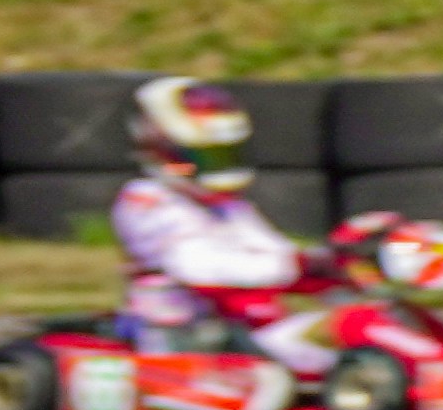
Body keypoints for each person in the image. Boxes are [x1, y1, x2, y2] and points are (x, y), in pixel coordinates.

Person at [105, 76, 339, 376]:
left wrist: (334, 264)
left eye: (224, 156)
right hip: (182, 337)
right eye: (205, 157)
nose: (219, 169)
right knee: (334, 331)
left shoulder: (227, 207)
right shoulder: (146, 200)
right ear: (164, 151)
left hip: (242, 328)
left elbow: (276, 251)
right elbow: (195, 265)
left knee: (355, 321)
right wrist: (294, 266)